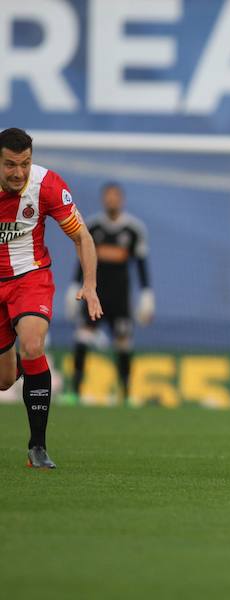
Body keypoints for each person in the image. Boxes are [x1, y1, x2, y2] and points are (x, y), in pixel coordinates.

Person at [0, 127, 102, 468]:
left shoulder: (47, 185)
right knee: (3, 380)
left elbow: (82, 237)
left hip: (30, 277)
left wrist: (89, 285)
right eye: (10, 165)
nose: (18, 172)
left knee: (32, 344)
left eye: (25, 163)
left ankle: (37, 447)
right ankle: (17, 367)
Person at [65, 182, 153, 404]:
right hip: (95, 295)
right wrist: (75, 287)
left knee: (123, 343)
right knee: (82, 338)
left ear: (121, 200)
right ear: (103, 199)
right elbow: (83, 260)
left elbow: (141, 264)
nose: (111, 200)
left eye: (115, 196)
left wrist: (146, 294)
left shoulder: (134, 230)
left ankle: (125, 394)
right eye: (108, 196)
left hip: (120, 298)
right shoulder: (92, 227)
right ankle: (75, 392)